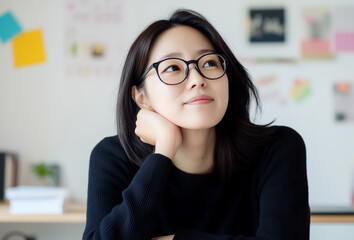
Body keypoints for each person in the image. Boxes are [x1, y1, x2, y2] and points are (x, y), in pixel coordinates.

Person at [83, 9, 310, 240]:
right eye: (172, 68)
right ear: (141, 97)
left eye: (210, 63)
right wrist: (163, 151)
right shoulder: (112, 157)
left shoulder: (278, 149)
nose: (197, 79)